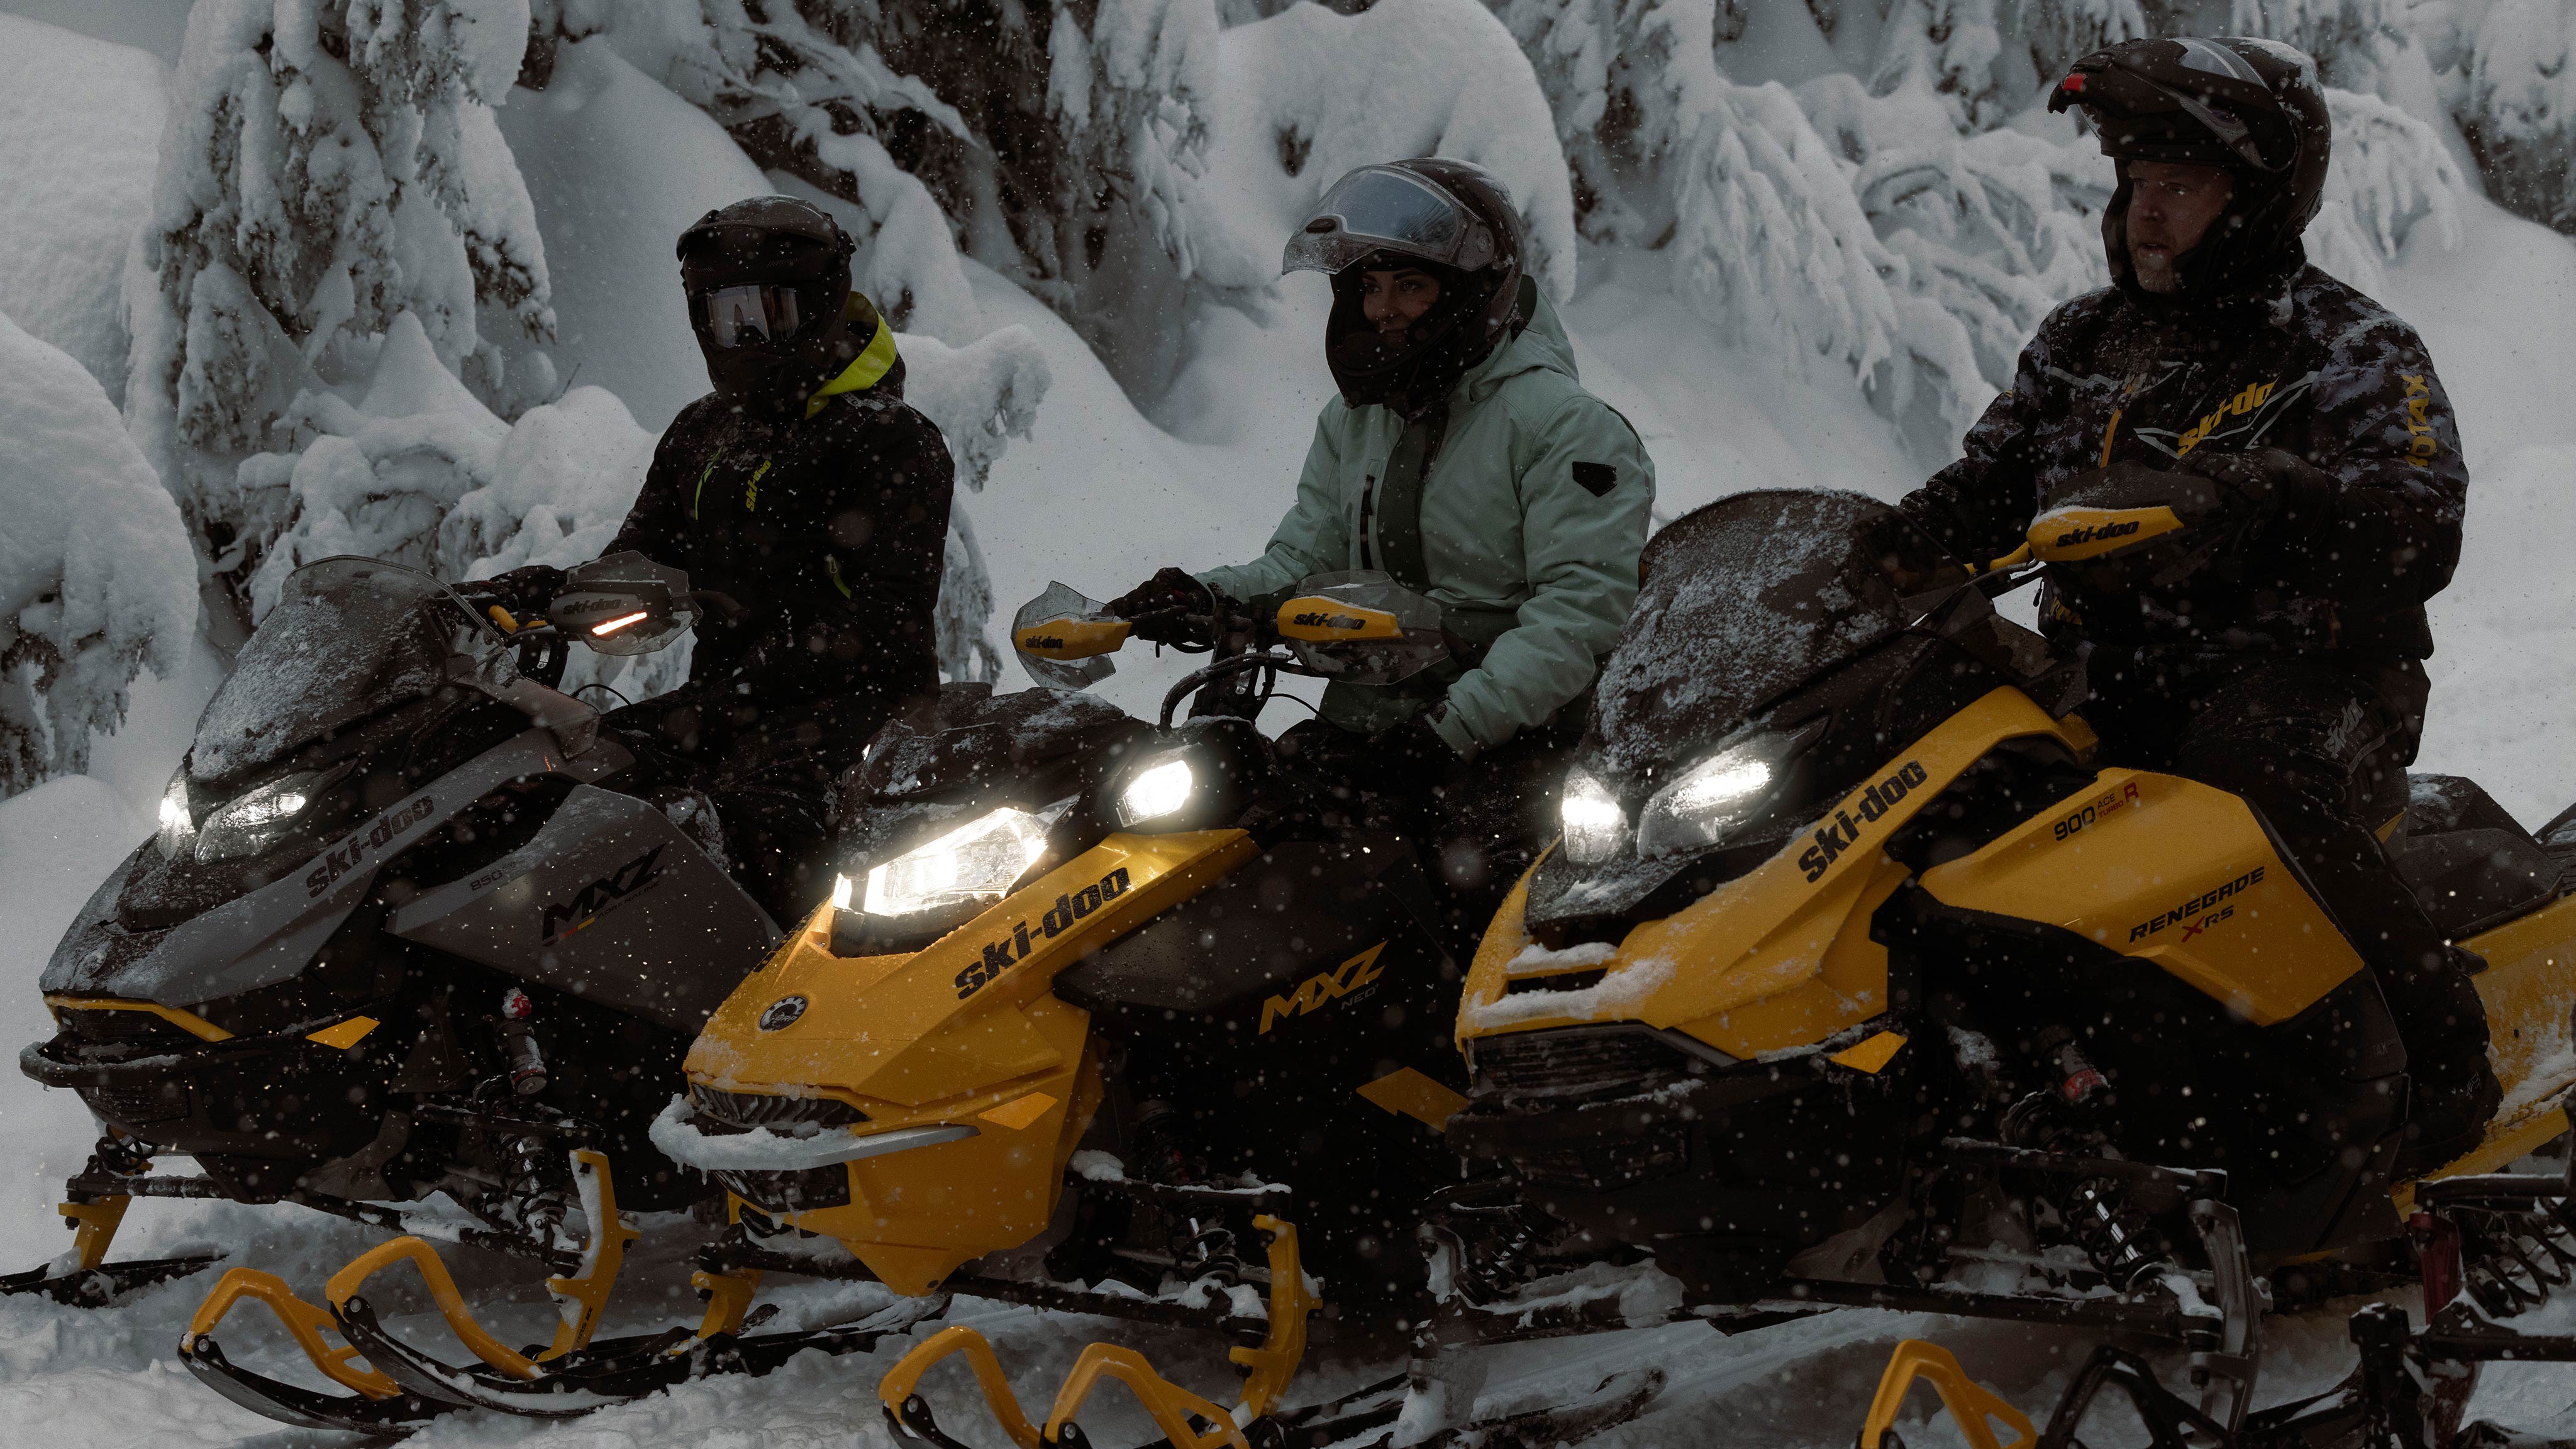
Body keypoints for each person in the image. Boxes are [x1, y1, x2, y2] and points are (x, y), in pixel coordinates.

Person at [1895, 36, 2497, 1172]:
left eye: (2178, 186)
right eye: (2133, 185)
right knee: (1935, 791)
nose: (2144, 212)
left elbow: (2422, 523)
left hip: (2306, 677)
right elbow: (1991, 480)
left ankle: (2443, 1053)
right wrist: (1892, 540)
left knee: (2255, 776)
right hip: (2101, 674)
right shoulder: (2082, 340)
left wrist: (2269, 497)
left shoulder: (2345, 344)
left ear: (2256, 199)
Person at [1108, 158, 1653, 938]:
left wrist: (1443, 736)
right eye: (1369, 288)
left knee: (1450, 930)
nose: (1384, 312)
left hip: (1514, 754)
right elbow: (1303, 565)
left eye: (1410, 287)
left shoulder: (1566, 428)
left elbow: (1577, 618)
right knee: (1230, 871)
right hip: (1367, 736)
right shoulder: (1356, 419)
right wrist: (1208, 596)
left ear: (1470, 292)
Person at [482, 197, 954, 924]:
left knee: (744, 841)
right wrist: (537, 600)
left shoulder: (890, 439)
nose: (749, 338)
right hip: (724, 712)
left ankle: (784, 1015)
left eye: (770, 315)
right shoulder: (705, 432)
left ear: (823, 309)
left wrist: (755, 672)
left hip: (858, 723)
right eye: (727, 317)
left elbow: (890, 622)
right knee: (562, 782)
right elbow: (637, 568)